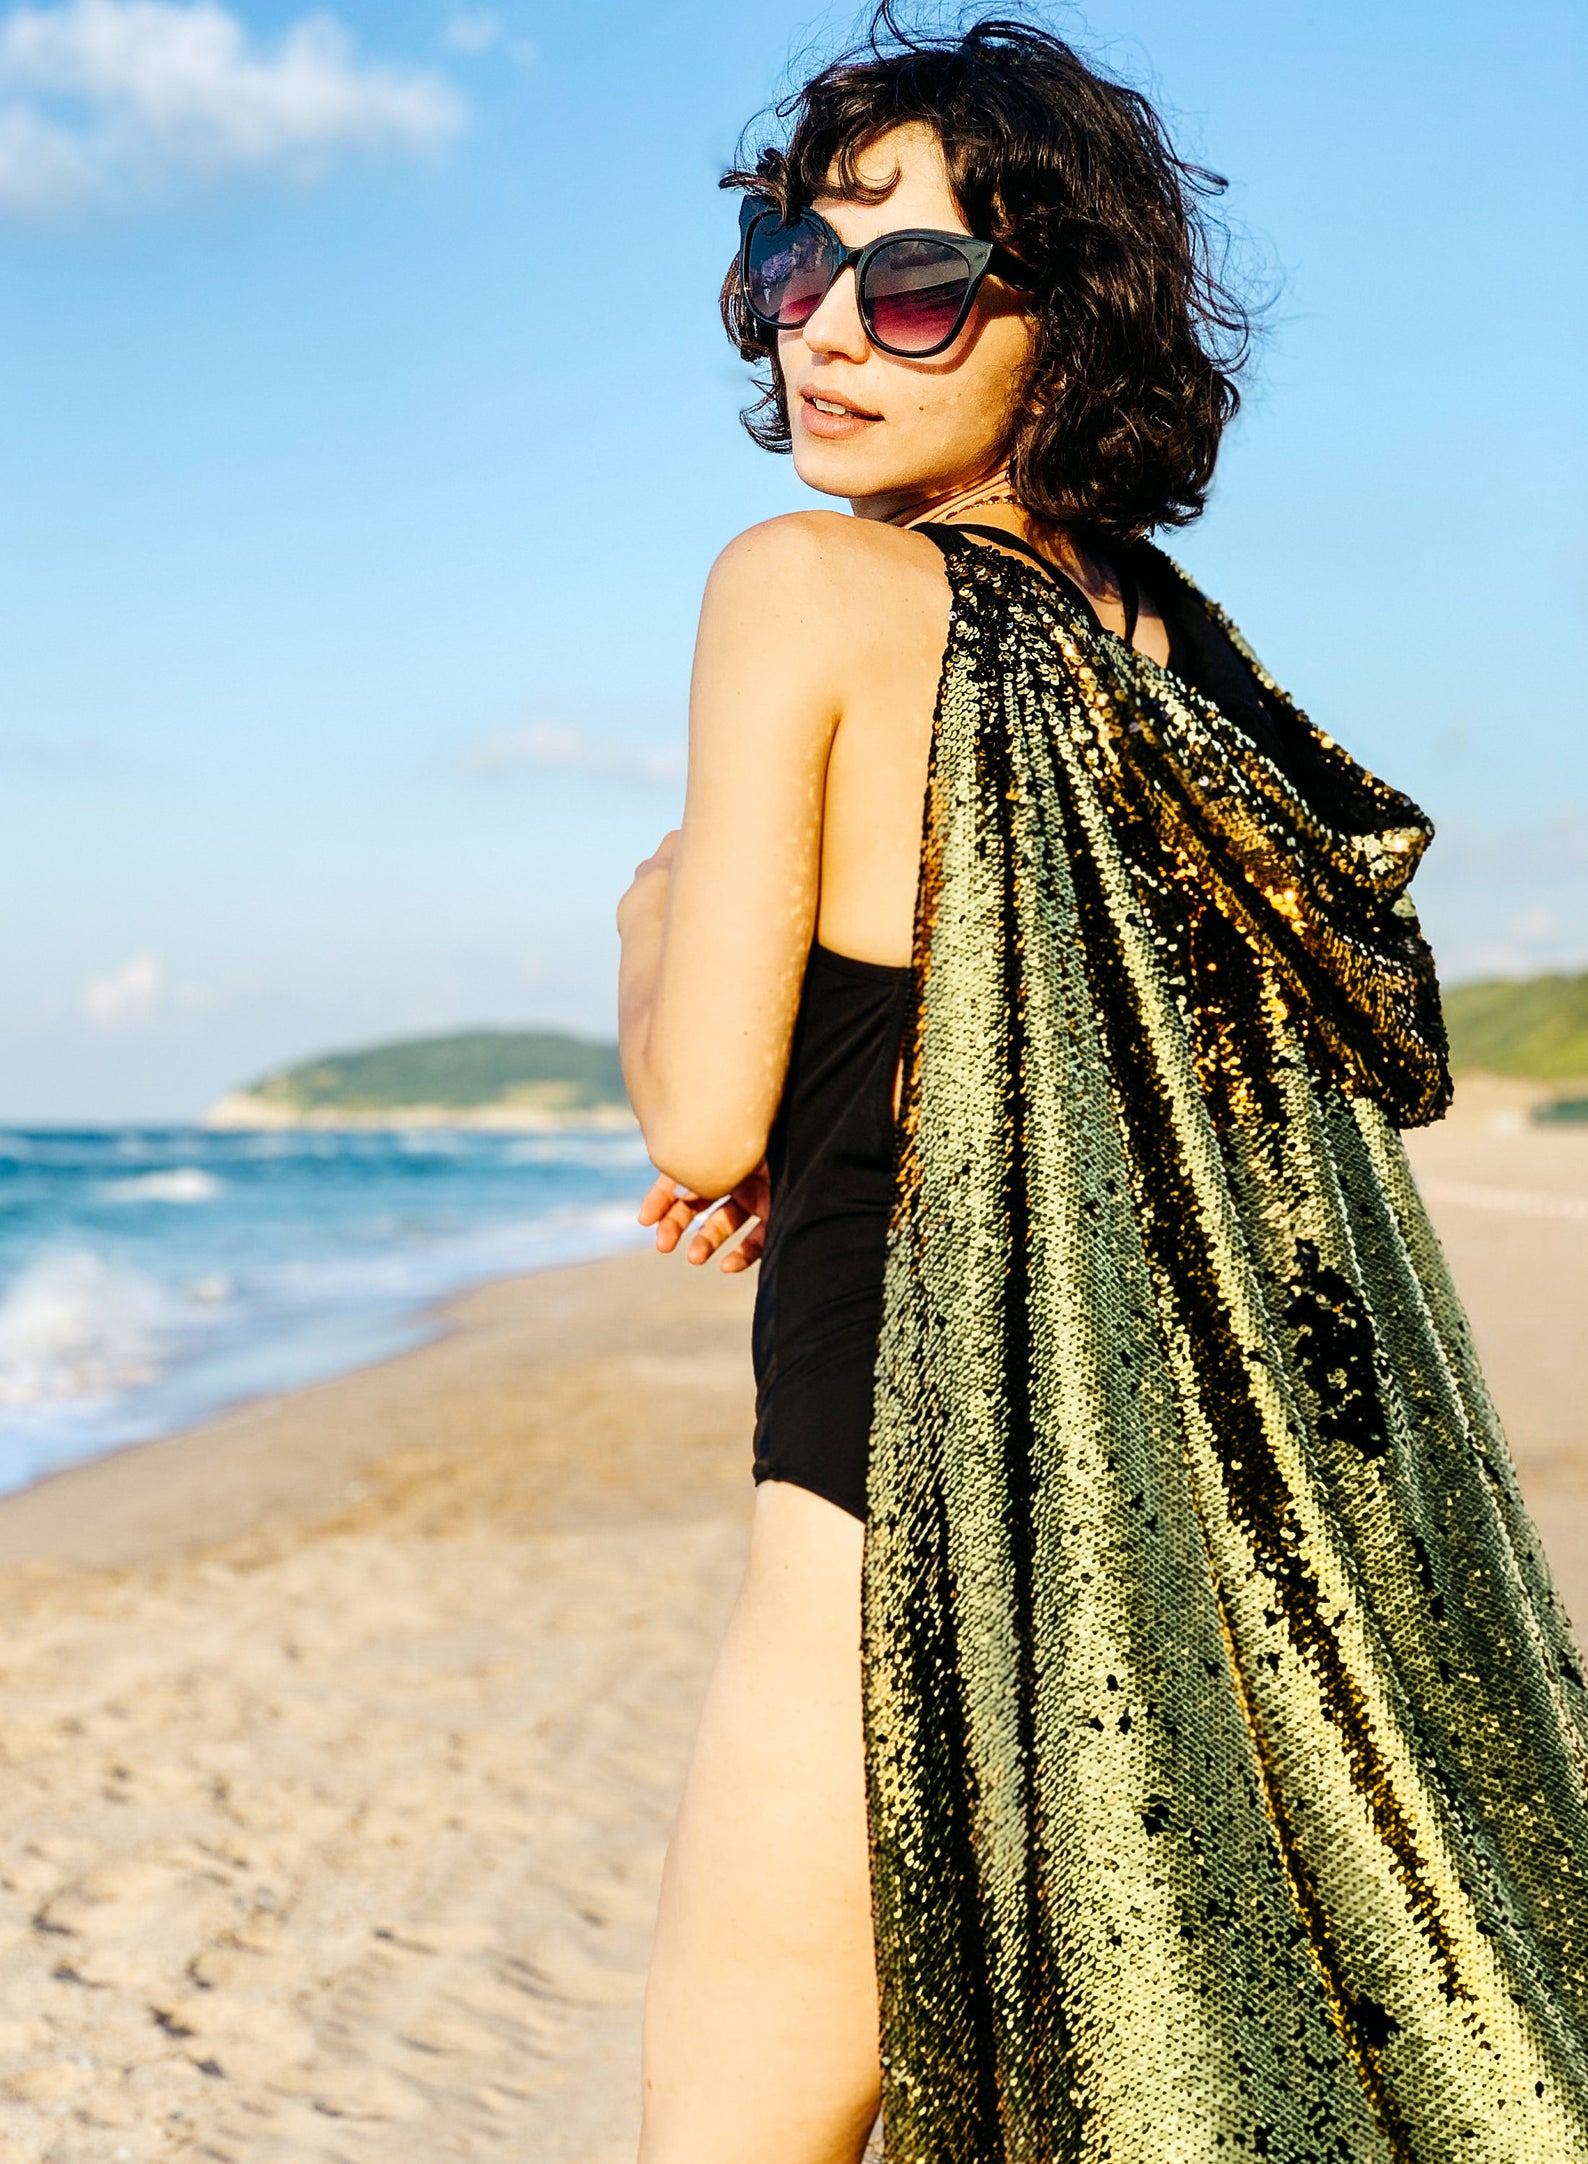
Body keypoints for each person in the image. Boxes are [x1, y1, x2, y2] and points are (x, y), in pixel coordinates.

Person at [617, 14, 1588, 2163]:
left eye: (917, 283)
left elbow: (700, 1127)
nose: (824, 330)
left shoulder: (802, 587)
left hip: (887, 1519)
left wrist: (650, 913)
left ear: (1068, 328)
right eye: (791, 257)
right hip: (1211, 1548)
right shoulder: (1181, 655)